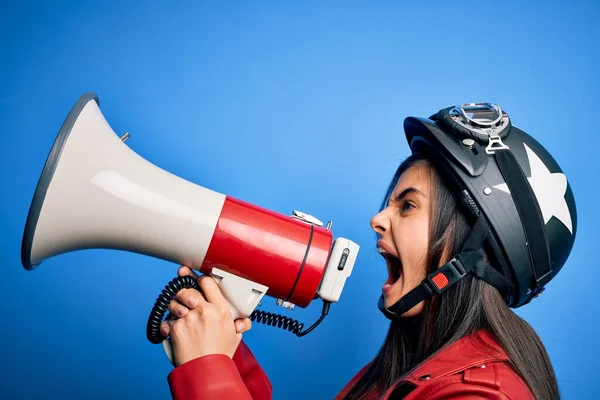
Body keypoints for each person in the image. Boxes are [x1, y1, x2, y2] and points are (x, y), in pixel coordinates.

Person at [160, 103, 577, 400]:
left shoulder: (479, 396)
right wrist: (228, 359)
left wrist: (209, 372)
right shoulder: (405, 374)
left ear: (476, 251)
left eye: (407, 206)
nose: (378, 219)